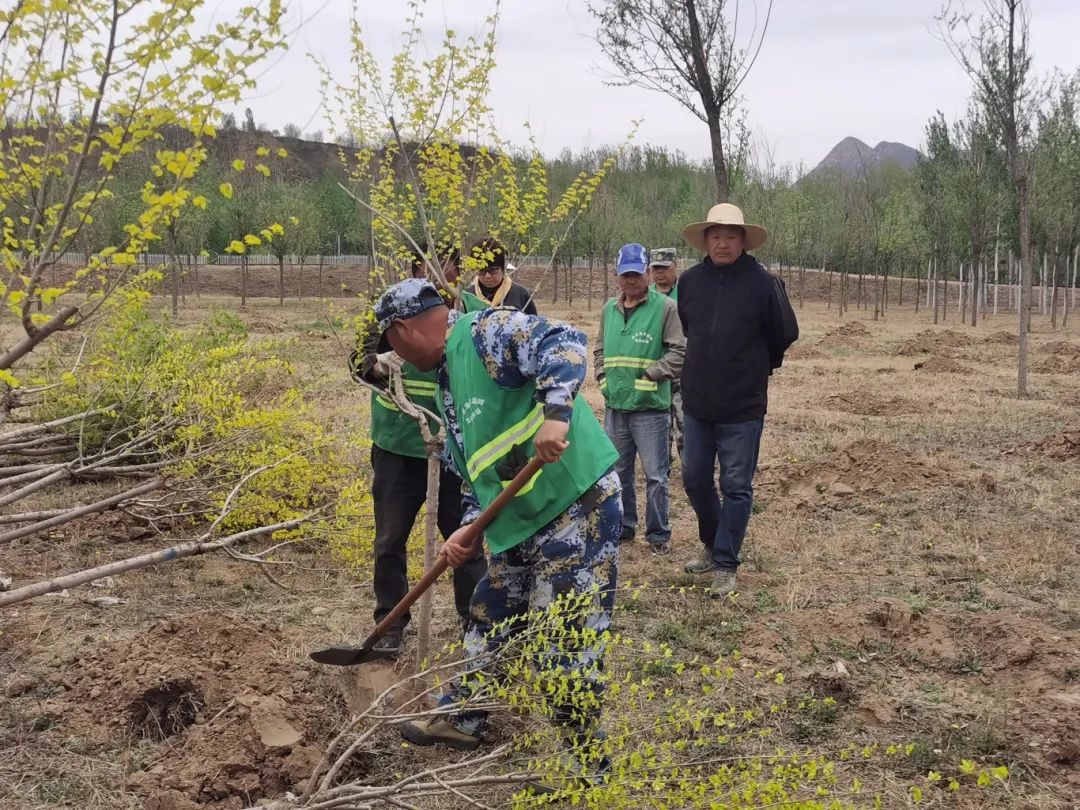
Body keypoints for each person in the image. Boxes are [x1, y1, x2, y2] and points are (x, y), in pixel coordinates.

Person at [371, 278, 621, 773]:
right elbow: (479, 473)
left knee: (563, 642)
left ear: (404, 330)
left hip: (574, 505)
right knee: (490, 615)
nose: (396, 356)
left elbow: (565, 341)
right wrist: (469, 528)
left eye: (392, 343)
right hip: (519, 521)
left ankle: (589, 771)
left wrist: (556, 414)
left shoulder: (484, 331)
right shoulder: (446, 384)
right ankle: (465, 718)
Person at [350, 249, 487, 655]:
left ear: (458, 271)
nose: (437, 273)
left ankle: (474, 619)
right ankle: (390, 621)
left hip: (454, 449)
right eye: (427, 265)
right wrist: (376, 364)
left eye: (446, 266)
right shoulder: (389, 312)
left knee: (465, 539)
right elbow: (356, 361)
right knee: (389, 539)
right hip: (398, 444)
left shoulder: (469, 312)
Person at [677, 203, 798, 597]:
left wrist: (756, 367)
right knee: (694, 478)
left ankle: (726, 563)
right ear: (705, 241)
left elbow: (785, 332)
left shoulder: (764, 284)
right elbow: (690, 328)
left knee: (735, 485)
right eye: (716, 236)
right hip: (697, 402)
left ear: (743, 241)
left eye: (731, 236)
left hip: (743, 406)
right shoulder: (690, 282)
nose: (723, 243)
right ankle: (712, 543)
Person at [594, 243, 684, 555]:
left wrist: (652, 374)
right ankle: (624, 526)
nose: (630, 279)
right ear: (617, 275)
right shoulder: (609, 309)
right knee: (618, 472)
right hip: (616, 406)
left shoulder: (665, 308)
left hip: (650, 409)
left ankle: (658, 534)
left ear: (646, 273)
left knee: (656, 475)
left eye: (635, 273)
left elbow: (679, 350)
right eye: (625, 274)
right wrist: (602, 378)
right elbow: (599, 350)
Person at [648, 247, 684, 460]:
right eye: (656, 268)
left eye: (664, 267)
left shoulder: (687, 293)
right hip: (655, 370)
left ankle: (689, 467)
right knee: (660, 426)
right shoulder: (645, 296)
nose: (660, 272)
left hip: (683, 369)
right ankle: (663, 465)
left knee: (685, 423)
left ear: (675, 267)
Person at [461, 236, 538, 313]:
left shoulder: (520, 295)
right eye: (482, 271)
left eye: (493, 270)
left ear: (503, 269)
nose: (487, 276)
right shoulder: (467, 297)